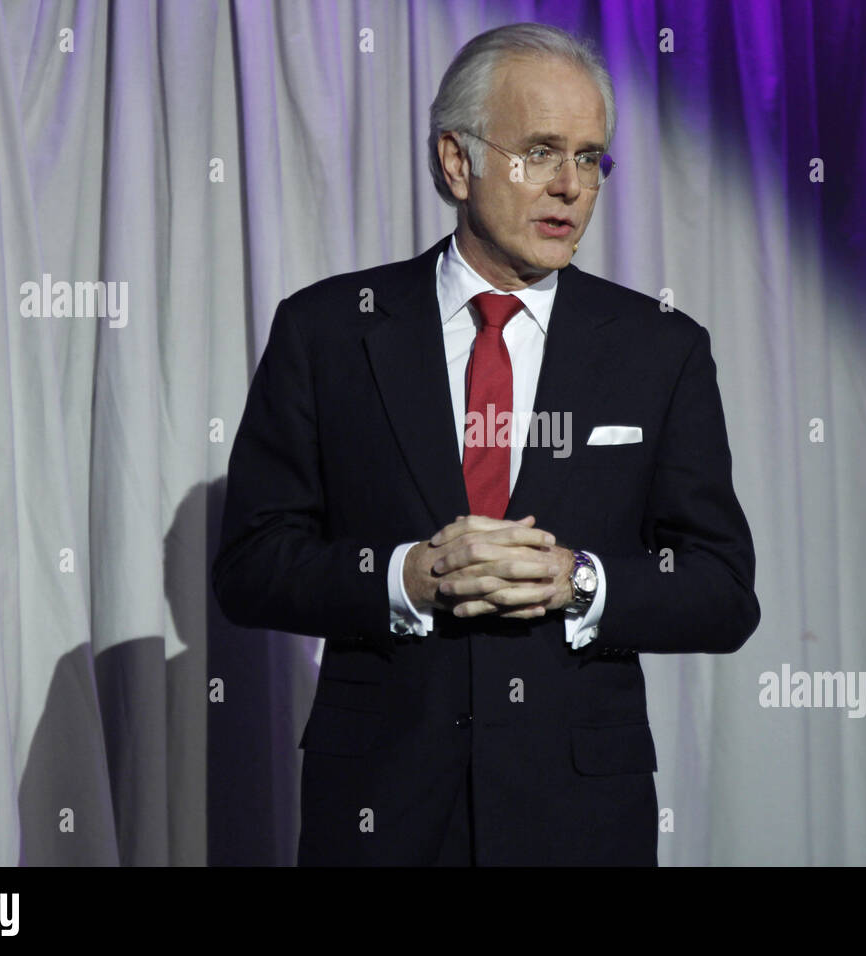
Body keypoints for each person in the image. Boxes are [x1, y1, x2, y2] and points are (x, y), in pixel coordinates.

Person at [212, 22, 760, 866]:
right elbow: (251, 567)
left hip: (578, 813)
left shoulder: (660, 349)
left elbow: (723, 591)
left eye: (590, 158)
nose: (571, 186)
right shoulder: (327, 331)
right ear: (457, 162)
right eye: (541, 151)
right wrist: (407, 576)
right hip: (380, 805)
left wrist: (581, 581)